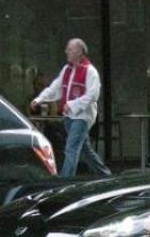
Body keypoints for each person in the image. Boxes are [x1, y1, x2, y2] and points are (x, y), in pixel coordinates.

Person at [31, 38, 111, 177]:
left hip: (82, 117)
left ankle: (65, 180)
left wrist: (73, 104)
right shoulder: (67, 70)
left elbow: (93, 95)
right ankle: (106, 175)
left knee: (71, 148)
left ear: (79, 52)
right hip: (69, 116)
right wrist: (40, 99)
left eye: (70, 49)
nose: (66, 51)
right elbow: (55, 87)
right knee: (85, 150)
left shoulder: (90, 71)